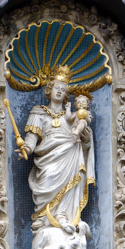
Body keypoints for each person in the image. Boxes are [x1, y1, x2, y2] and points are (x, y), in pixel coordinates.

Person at [17, 67, 95, 237]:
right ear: (49, 89)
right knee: (48, 177)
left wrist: (87, 140)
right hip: (48, 159)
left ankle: (65, 216)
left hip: (70, 155)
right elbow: (32, 137)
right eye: (56, 88)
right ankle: (43, 217)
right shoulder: (39, 113)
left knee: (69, 186)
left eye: (63, 90)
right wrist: (27, 148)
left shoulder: (73, 116)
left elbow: (84, 144)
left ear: (66, 94)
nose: (59, 92)